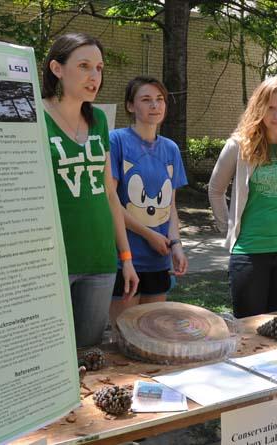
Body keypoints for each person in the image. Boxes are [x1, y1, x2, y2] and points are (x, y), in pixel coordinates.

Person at [42, 33, 138, 347]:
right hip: (53, 261)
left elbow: (110, 193)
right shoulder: (34, 117)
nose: (94, 76)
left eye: (98, 68)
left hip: (100, 259)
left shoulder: (97, 119)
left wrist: (125, 257)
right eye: (84, 66)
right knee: (52, 356)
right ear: (57, 68)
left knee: (89, 356)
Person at [208, 77, 277, 318]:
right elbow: (215, 189)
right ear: (259, 108)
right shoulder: (239, 146)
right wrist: (229, 228)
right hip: (249, 250)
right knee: (249, 330)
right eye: (271, 107)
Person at [107, 76, 188, 324]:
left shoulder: (171, 149)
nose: (155, 105)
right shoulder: (116, 140)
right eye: (146, 100)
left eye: (159, 99)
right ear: (131, 106)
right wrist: (149, 235)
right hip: (126, 259)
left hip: (158, 260)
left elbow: (170, 206)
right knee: (125, 334)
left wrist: (175, 244)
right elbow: (111, 202)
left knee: (153, 332)